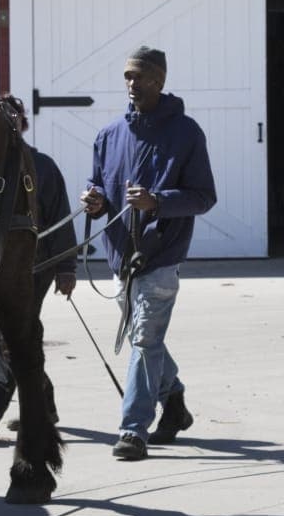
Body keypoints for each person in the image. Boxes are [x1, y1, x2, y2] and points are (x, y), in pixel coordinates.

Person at [80, 46, 217, 461]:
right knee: (148, 338)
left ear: (159, 80)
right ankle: (173, 403)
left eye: (139, 76)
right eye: (126, 76)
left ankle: (133, 430)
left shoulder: (187, 133)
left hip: (161, 255)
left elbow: (203, 197)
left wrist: (157, 201)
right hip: (120, 256)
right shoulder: (109, 135)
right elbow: (98, 183)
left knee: (143, 337)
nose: (131, 83)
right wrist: (95, 199)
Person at [0, 95, 77, 442]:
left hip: (37, 265)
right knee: (20, 333)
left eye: (11, 119)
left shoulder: (42, 165)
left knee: (7, 334)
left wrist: (67, 268)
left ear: (21, 123)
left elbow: (60, 215)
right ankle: (43, 402)